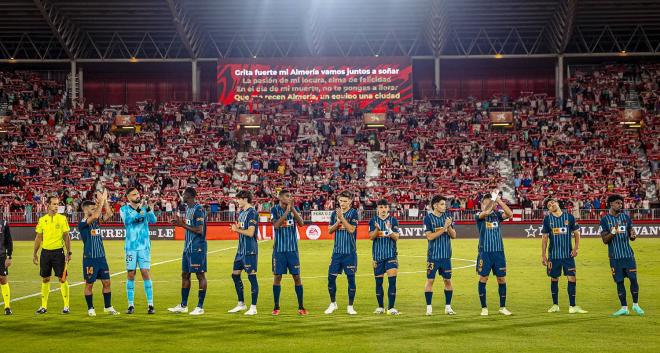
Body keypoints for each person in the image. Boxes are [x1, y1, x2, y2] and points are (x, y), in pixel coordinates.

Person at [600, 194, 644, 317]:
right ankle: (624, 307)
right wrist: (613, 231)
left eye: (621, 203)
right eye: (618, 203)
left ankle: (635, 305)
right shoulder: (604, 220)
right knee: (619, 282)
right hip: (615, 257)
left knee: (633, 279)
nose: (620, 205)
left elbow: (631, 235)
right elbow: (605, 240)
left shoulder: (626, 218)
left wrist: (633, 236)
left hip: (628, 255)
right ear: (611, 204)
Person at [541, 197, 587, 314]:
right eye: (549, 205)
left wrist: (576, 248)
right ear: (549, 210)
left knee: (572, 278)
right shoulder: (547, 219)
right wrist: (543, 255)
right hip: (554, 256)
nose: (551, 205)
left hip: (568, 255)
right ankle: (555, 305)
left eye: (552, 202)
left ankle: (572, 306)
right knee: (554, 278)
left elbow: (577, 234)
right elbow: (545, 238)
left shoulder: (569, 217)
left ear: (557, 203)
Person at [78, 190, 120, 316]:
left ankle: (108, 307)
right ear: (86, 210)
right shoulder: (82, 224)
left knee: (107, 282)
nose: (95, 209)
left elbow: (110, 214)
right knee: (89, 284)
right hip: (90, 258)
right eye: (92, 208)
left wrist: (105, 201)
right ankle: (90, 308)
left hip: (101, 257)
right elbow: (95, 215)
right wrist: (101, 201)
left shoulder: (97, 221)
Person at [168, 187, 208, 316]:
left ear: (189, 196)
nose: (182, 196)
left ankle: (200, 307)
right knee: (185, 274)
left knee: (200, 275)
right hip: (188, 247)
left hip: (198, 247)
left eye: (184, 194)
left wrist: (182, 225)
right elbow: (190, 226)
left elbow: (199, 230)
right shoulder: (188, 209)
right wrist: (180, 223)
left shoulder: (198, 209)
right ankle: (183, 305)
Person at [475, 189, 513, 316]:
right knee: (483, 278)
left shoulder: (497, 216)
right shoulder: (479, 216)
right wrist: (493, 199)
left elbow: (510, 214)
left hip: (498, 252)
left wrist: (499, 201)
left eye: (490, 203)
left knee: (501, 279)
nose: (488, 205)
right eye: (485, 203)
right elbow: (485, 212)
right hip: (485, 252)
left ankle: (502, 307)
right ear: (481, 205)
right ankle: (484, 307)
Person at [270, 189, 307, 316]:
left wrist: (293, 210)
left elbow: (301, 223)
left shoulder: (294, 208)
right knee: (277, 277)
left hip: (292, 250)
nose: (289, 197)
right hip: (279, 250)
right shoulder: (274, 210)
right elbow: (276, 225)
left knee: (297, 277)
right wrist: (287, 211)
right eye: (287, 196)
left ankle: (301, 307)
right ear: (280, 197)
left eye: (290, 196)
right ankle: (276, 306)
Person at [120, 187, 157, 314]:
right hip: (130, 247)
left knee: (145, 272)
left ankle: (150, 305)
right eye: (134, 194)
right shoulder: (124, 209)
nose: (137, 196)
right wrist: (138, 211)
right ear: (128, 197)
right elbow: (127, 221)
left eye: (138, 194)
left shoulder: (144, 208)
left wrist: (147, 209)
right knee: (131, 274)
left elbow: (153, 220)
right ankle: (130, 305)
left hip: (144, 246)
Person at [33, 195, 72, 315]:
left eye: (57, 204)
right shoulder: (42, 220)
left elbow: (66, 236)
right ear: (48, 205)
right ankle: (43, 306)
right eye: (54, 204)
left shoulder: (62, 219)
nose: (56, 206)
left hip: (58, 252)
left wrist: (68, 252)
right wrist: (35, 253)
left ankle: (66, 306)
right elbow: (38, 237)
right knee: (45, 279)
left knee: (62, 278)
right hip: (45, 253)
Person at [325, 191, 360, 315]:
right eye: (341, 201)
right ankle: (333, 303)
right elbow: (329, 230)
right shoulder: (334, 213)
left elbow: (351, 229)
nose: (343, 203)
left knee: (351, 279)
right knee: (330, 278)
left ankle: (350, 306)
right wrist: (338, 221)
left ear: (350, 201)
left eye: (345, 201)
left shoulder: (354, 213)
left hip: (349, 253)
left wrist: (342, 218)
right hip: (337, 253)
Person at [423, 195, 457, 316]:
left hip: (446, 256)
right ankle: (429, 308)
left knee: (447, 280)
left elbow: (453, 236)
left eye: (445, 204)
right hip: (433, 256)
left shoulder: (447, 217)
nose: (445, 206)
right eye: (442, 204)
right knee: (430, 281)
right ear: (435, 205)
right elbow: (430, 236)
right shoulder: (428, 219)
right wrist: (444, 228)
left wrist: (449, 227)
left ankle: (448, 307)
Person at [227, 190, 259, 316]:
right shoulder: (241, 213)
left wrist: (237, 230)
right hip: (240, 250)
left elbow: (251, 233)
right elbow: (241, 229)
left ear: (245, 199)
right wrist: (237, 229)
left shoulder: (252, 213)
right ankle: (241, 304)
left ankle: (253, 307)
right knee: (235, 275)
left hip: (249, 250)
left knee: (252, 277)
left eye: (238, 199)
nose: (237, 201)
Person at [368, 199, 401, 315]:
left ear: (388, 208)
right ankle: (380, 307)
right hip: (377, 256)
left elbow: (396, 237)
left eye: (385, 207)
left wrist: (389, 229)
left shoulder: (393, 220)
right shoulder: (373, 221)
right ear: (378, 209)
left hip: (391, 255)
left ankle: (391, 308)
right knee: (379, 283)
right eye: (381, 207)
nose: (383, 209)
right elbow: (371, 237)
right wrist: (377, 228)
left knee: (392, 281)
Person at [0, 216, 12, 315]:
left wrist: (9, 256)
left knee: (3, 279)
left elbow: (9, 241)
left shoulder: (4, 223)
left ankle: (7, 306)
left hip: (1, 256)